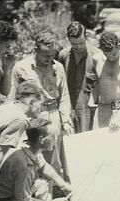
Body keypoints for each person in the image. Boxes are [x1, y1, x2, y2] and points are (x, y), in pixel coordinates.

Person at [8, 30, 74, 176]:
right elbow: (12, 97)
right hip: (31, 117)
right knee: (30, 156)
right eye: (46, 55)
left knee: (52, 159)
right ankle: (29, 194)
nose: (49, 58)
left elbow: (64, 95)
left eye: (52, 55)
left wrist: (66, 120)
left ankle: (49, 194)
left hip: (52, 116)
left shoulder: (58, 67)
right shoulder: (21, 68)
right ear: (36, 49)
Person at [0, 118, 72, 201]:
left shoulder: (30, 149)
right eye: (52, 136)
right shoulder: (23, 166)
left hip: (9, 198)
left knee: (46, 181)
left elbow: (43, 167)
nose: (55, 139)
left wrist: (62, 184)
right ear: (41, 140)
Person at [58, 21, 100, 133]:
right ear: (68, 40)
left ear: (85, 37)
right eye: (74, 44)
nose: (78, 47)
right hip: (68, 107)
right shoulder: (63, 55)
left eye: (81, 43)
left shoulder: (97, 55)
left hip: (87, 109)